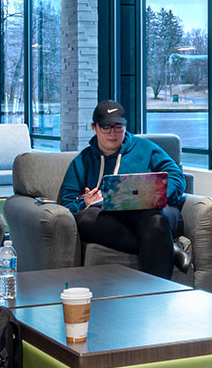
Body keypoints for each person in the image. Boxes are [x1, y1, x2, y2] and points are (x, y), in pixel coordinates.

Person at [60, 100, 191, 279]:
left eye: (118, 127)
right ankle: (168, 247)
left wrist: (156, 193)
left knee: (155, 221)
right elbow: (67, 203)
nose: (112, 133)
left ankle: (157, 297)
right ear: (94, 127)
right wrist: (85, 202)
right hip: (111, 221)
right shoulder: (82, 162)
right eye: (106, 127)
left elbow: (176, 176)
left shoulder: (146, 148)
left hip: (153, 213)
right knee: (84, 219)